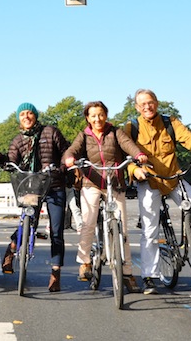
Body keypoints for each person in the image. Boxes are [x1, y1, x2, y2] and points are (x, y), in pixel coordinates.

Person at [124, 88, 191, 295]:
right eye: (142, 104)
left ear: (156, 103)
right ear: (137, 108)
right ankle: (149, 276)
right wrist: (134, 170)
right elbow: (125, 154)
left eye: (150, 102)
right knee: (150, 229)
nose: (147, 107)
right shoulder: (132, 127)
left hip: (174, 177)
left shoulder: (169, 122)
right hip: (149, 181)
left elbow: (188, 138)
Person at [63, 101, 146, 293]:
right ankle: (84, 262)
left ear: (106, 115)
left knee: (122, 227)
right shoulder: (84, 135)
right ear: (88, 118)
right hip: (91, 182)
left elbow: (128, 145)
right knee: (88, 222)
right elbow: (73, 150)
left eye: (100, 114)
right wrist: (69, 159)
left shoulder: (115, 132)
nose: (97, 119)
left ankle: (127, 273)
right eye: (93, 115)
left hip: (114, 182)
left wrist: (138, 154)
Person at [1, 102, 69, 292]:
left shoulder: (50, 132)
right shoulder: (18, 140)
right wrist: (9, 164)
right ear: (19, 119)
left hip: (54, 185)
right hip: (31, 187)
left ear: (35, 115)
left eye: (29, 113)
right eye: (22, 114)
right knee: (27, 224)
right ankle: (12, 247)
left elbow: (66, 150)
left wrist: (63, 165)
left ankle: (55, 273)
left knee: (56, 231)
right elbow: (12, 157)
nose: (26, 117)